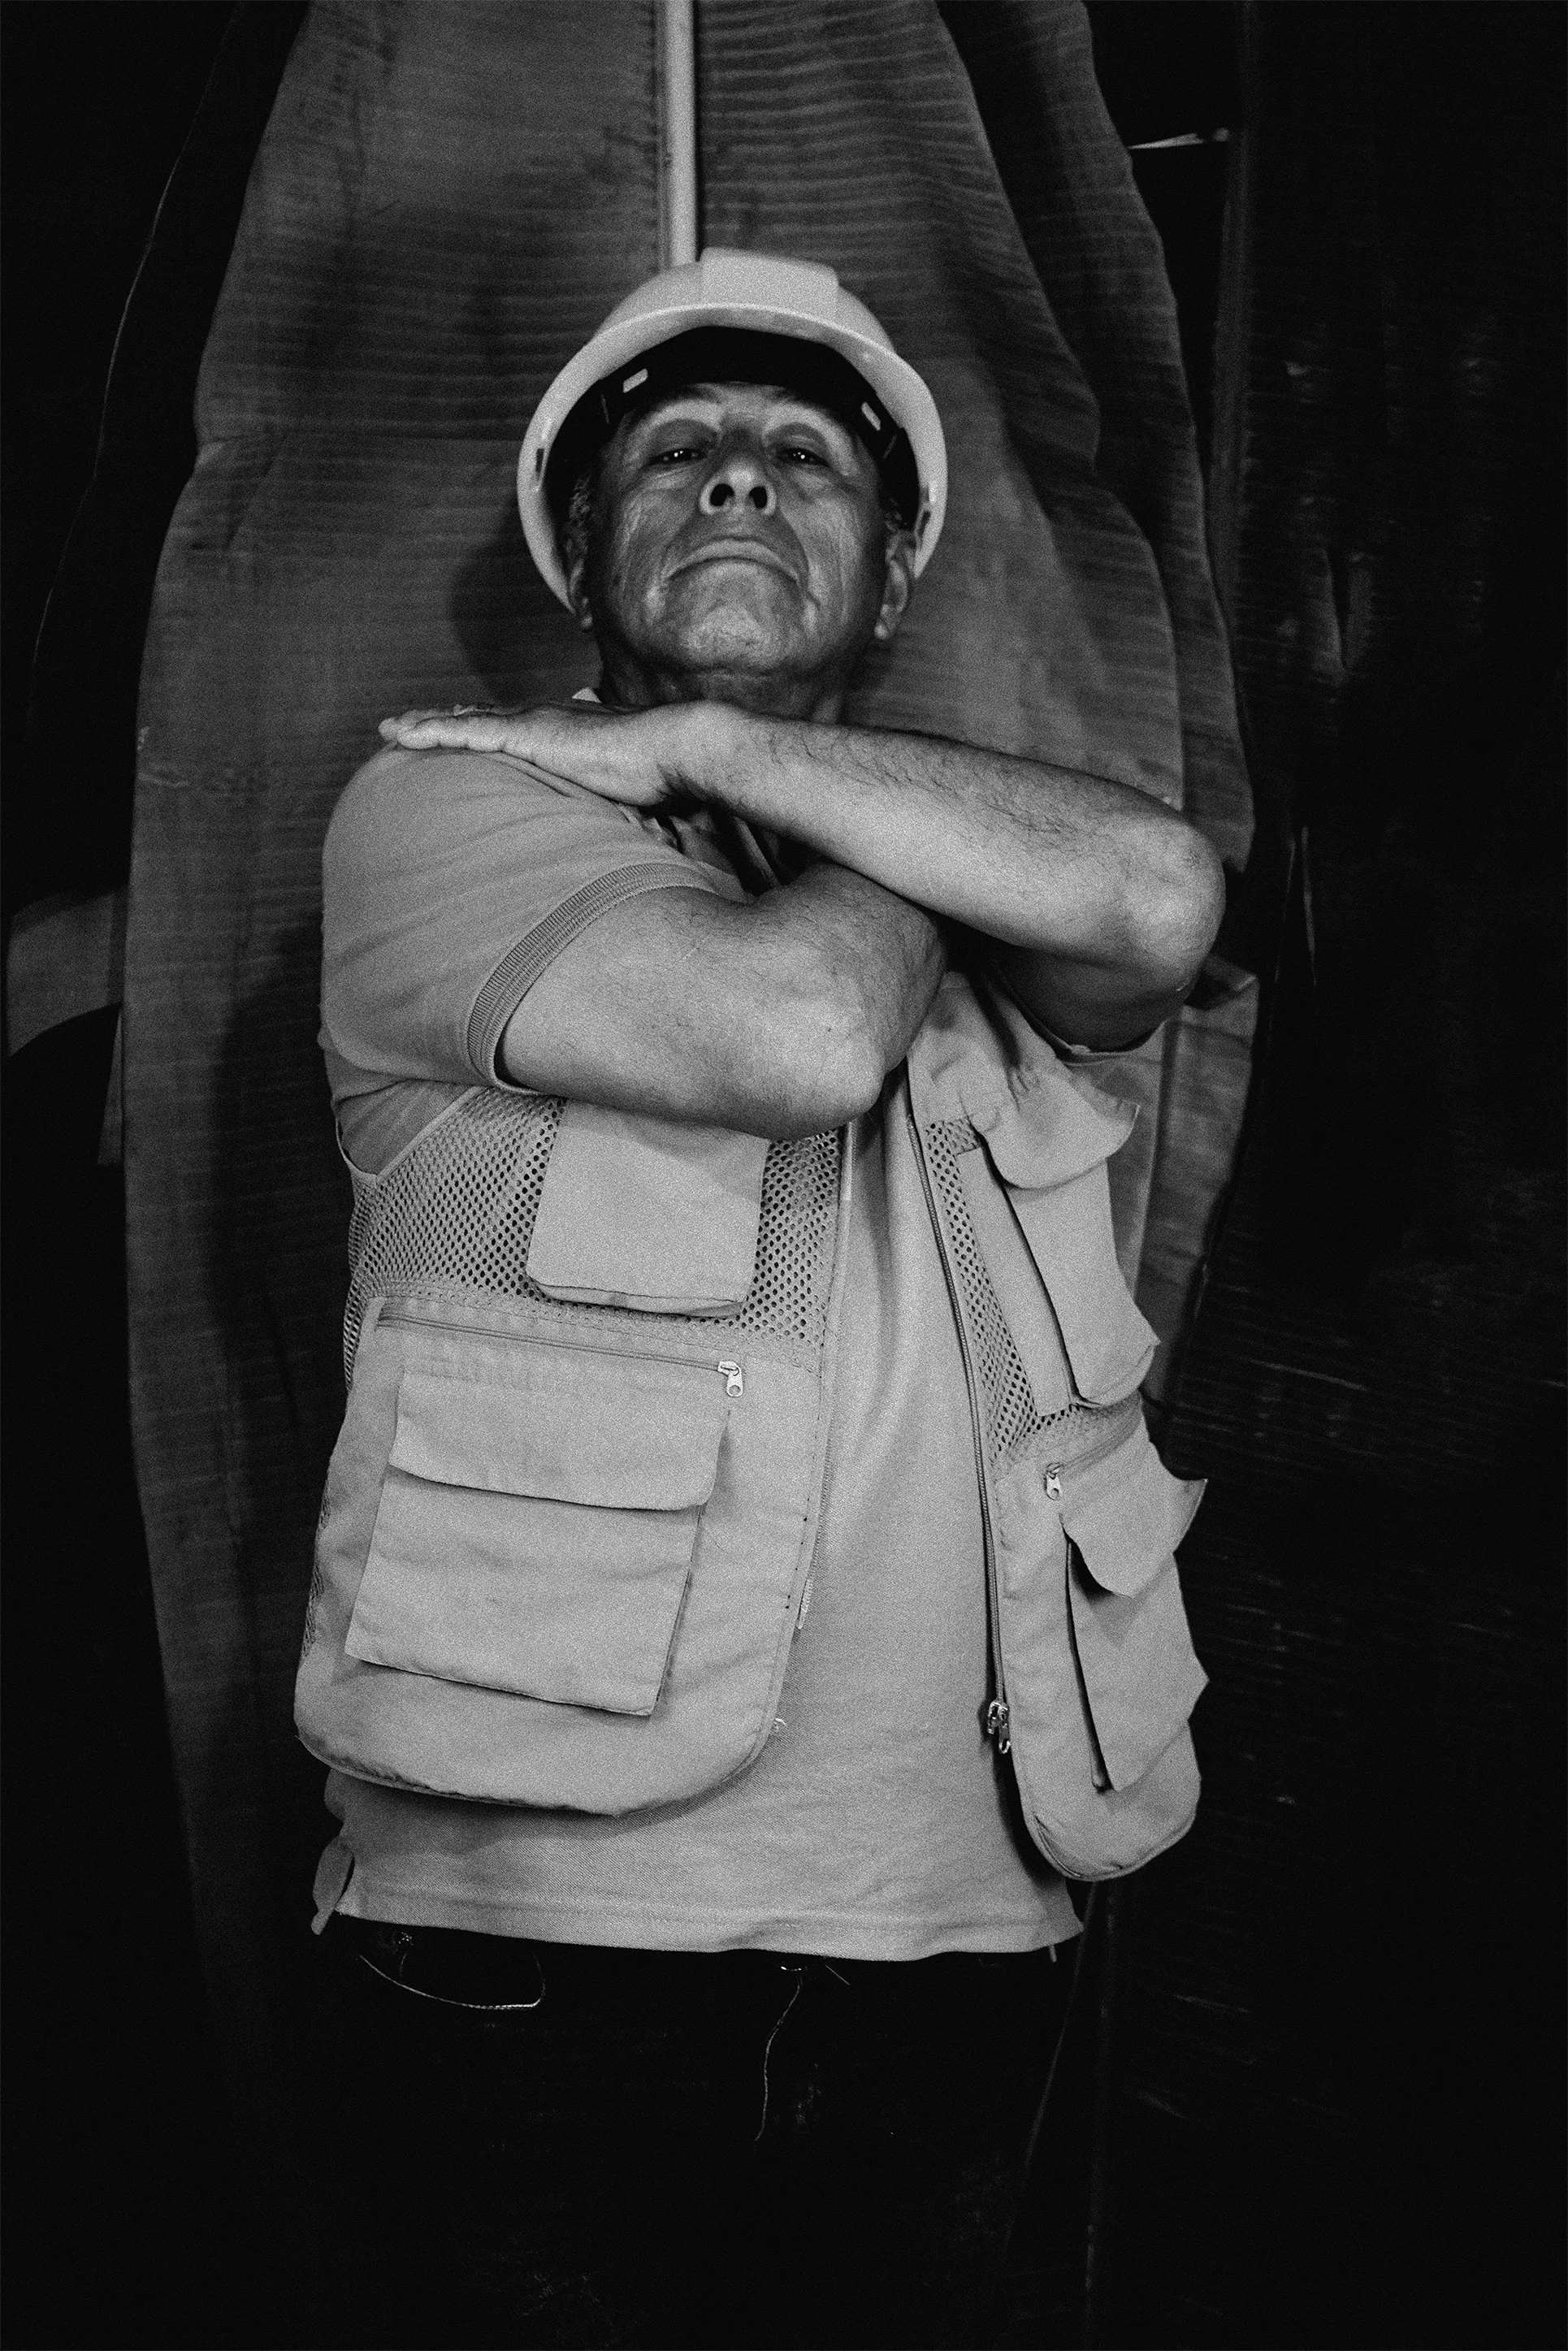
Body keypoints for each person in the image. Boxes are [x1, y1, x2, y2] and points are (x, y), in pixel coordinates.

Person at [297, 248, 1222, 2350]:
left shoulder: (1007, 865)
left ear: (893, 576)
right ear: (576, 554)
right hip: (540, 1949)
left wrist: (744, 741)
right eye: (681, 452)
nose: (737, 483)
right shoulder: (438, 810)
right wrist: (836, 780)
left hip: (959, 1934)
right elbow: (800, 1025)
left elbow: (1160, 897)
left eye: (800, 458)